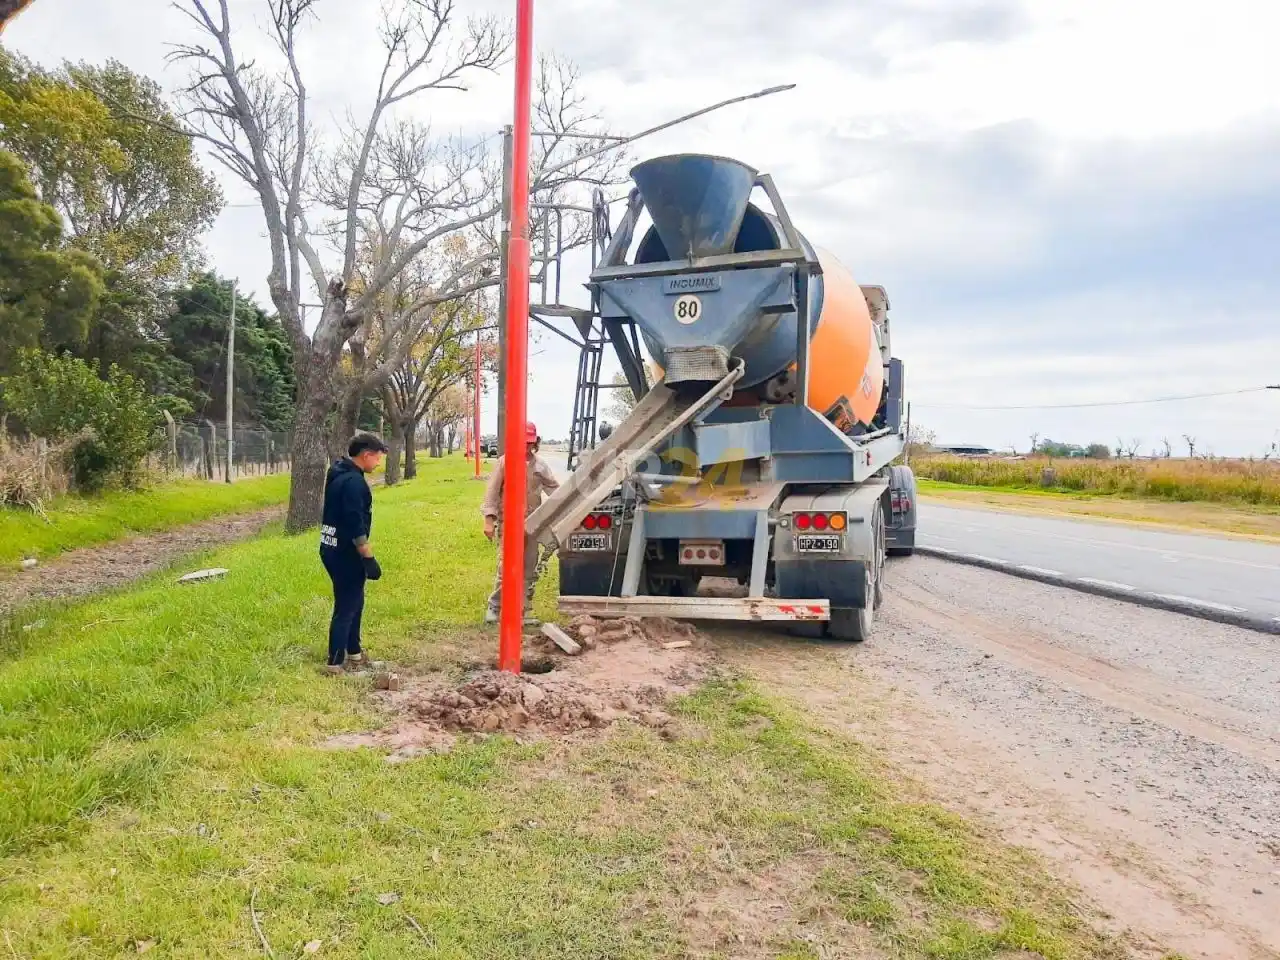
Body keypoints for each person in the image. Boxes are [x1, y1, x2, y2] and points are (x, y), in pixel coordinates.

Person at [319, 432, 388, 673]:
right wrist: (368, 557)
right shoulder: (354, 483)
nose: (378, 463)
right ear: (366, 455)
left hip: (330, 547)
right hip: (345, 553)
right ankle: (335, 664)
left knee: (354, 602)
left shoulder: (339, 473)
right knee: (347, 607)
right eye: (377, 458)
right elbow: (354, 522)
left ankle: (355, 655)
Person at [481, 422, 560, 624]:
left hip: (532, 524)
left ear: (535, 442)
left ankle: (522, 610)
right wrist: (489, 520)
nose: (526, 446)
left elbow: (555, 490)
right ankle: (494, 606)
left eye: (529, 443)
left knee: (528, 567)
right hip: (509, 523)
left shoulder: (540, 466)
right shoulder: (504, 462)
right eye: (522, 442)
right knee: (508, 567)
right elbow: (491, 493)